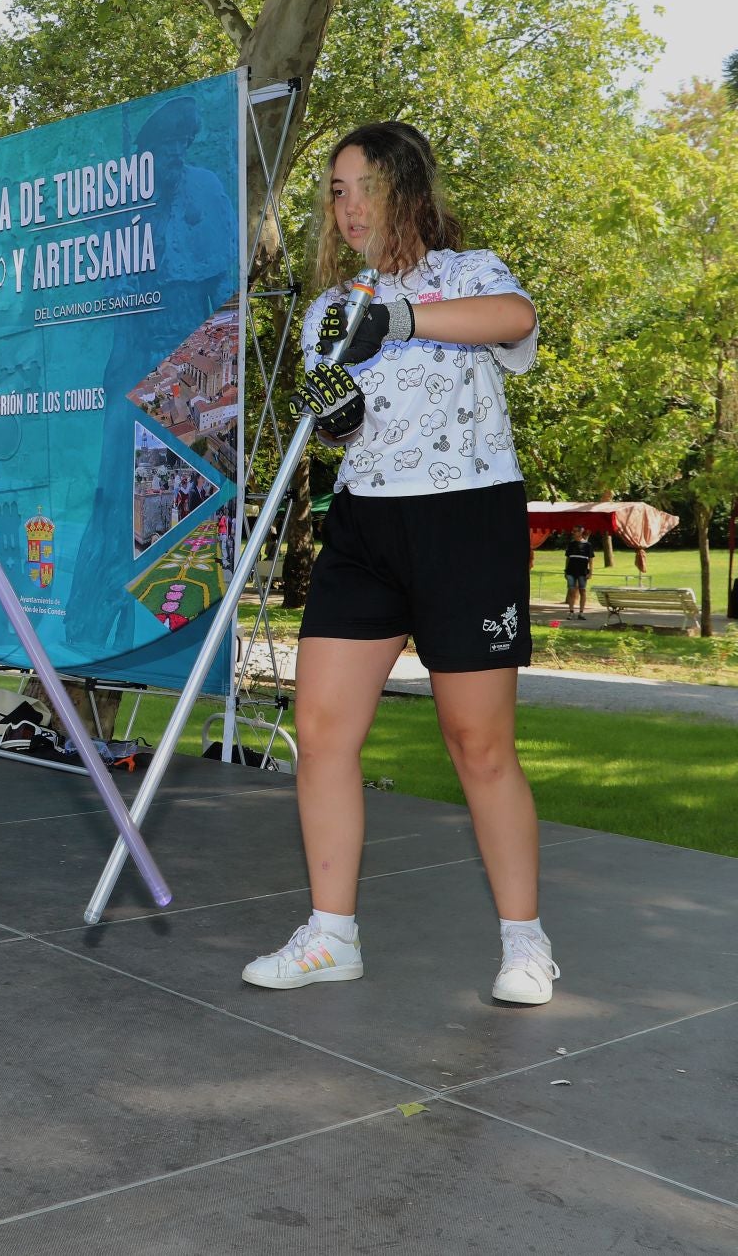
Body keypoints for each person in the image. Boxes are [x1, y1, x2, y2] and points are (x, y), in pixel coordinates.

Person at [244, 120, 559, 1007]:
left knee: (478, 743)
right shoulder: (328, 312)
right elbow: (348, 425)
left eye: (362, 187)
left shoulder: (471, 272)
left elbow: (517, 322)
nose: (347, 208)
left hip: (467, 520)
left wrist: (403, 317)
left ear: (406, 187)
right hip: (366, 527)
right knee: (323, 731)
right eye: (335, 192)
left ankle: (526, 943)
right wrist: (338, 416)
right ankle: (330, 935)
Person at [564, 531, 594, 618]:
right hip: (570, 571)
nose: (573, 533)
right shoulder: (571, 544)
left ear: (580, 533)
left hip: (582, 572)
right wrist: (565, 571)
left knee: (582, 591)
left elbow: (591, 560)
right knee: (571, 591)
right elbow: (567, 559)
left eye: (576, 531)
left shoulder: (588, 545)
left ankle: (581, 613)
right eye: (573, 531)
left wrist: (590, 573)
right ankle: (571, 612)